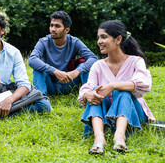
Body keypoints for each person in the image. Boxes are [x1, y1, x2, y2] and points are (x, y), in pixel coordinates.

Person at [78, 20, 155, 155]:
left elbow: (144, 83)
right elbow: (88, 86)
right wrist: (87, 95)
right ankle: (99, 138)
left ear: (118, 39)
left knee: (122, 91)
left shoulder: (136, 61)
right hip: (105, 114)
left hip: (133, 112)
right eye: (98, 38)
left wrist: (113, 85)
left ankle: (120, 136)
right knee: (95, 91)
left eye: (104, 37)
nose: (99, 42)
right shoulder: (98, 65)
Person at [28, 11, 98, 97]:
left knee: (84, 66)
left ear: (67, 30)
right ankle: (41, 99)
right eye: (51, 25)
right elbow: (32, 60)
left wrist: (76, 72)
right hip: (50, 86)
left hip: (69, 83)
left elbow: (93, 58)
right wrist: (55, 71)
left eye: (57, 26)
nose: (53, 29)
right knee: (38, 68)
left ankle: (88, 95)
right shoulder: (43, 42)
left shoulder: (74, 42)